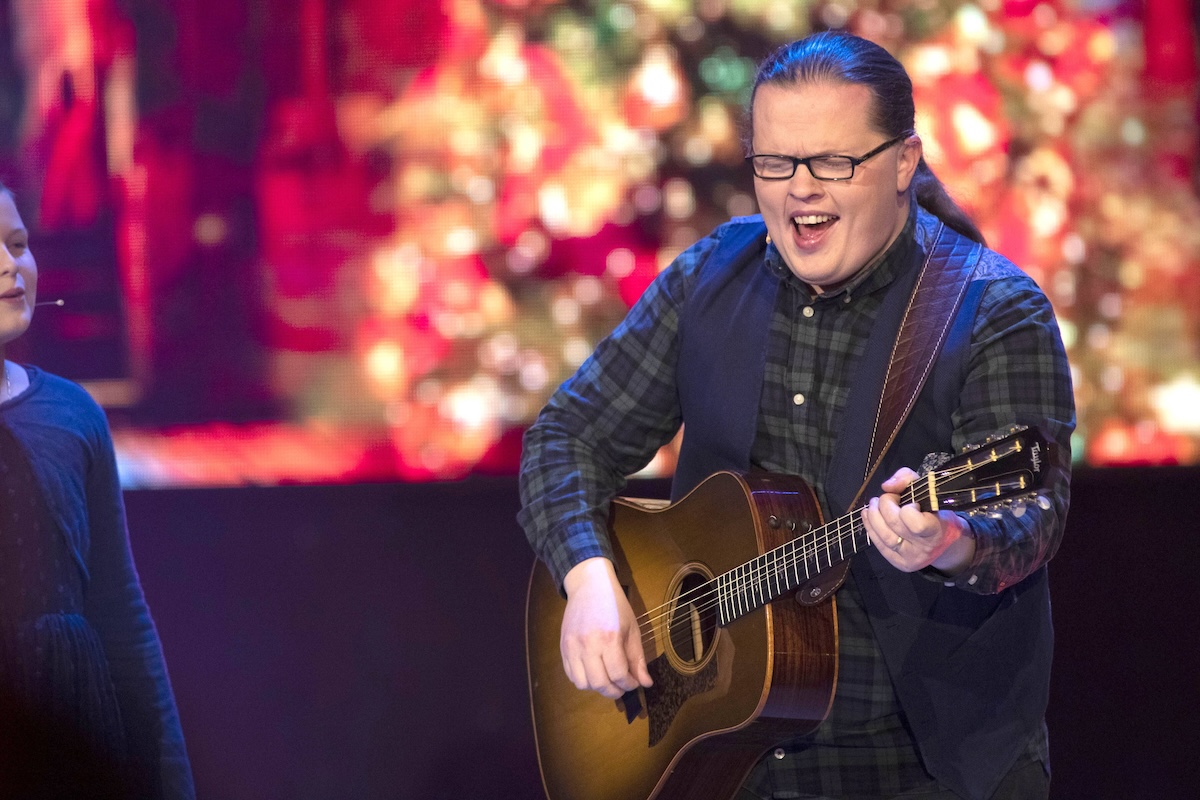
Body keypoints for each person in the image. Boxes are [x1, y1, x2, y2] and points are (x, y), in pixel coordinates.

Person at [518, 30, 1074, 800]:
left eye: (834, 163)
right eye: (775, 164)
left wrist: (950, 537)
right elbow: (566, 438)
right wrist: (587, 577)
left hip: (921, 768)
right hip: (726, 767)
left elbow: (1031, 515)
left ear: (904, 164)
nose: (799, 189)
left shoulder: (992, 310)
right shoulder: (710, 276)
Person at [0, 181, 195, 798]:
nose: (10, 266)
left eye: (18, 244)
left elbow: (120, 609)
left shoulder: (71, 413)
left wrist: (170, 777)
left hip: (77, 715)